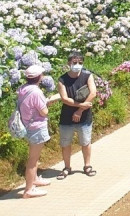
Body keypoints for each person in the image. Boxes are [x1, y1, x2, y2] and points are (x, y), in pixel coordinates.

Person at [19, 64, 59, 198]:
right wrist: (49, 102)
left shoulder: (23, 89)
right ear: (39, 77)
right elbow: (44, 112)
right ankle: (29, 189)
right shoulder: (36, 92)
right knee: (33, 159)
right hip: (36, 128)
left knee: (34, 157)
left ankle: (35, 179)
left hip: (27, 126)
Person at [57, 51, 97, 180]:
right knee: (65, 144)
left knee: (85, 142)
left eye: (80, 62)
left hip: (84, 117)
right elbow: (65, 99)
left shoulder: (87, 76)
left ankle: (87, 166)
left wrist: (80, 110)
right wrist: (82, 106)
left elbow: (93, 93)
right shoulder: (62, 79)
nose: (77, 65)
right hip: (66, 118)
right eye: (74, 62)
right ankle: (67, 167)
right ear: (69, 63)